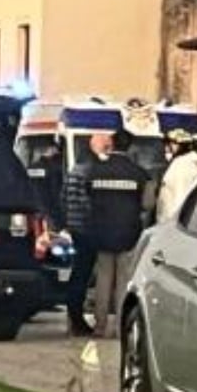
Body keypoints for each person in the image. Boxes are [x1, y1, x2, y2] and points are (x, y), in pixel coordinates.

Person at [89, 130, 156, 338]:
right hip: (128, 232)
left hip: (101, 231)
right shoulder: (139, 174)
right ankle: (120, 327)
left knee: (103, 278)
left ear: (112, 144)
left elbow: (87, 197)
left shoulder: (95, 171)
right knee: (123, 280)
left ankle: (100, 326)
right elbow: (148, 204)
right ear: (130, 147)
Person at [60, 136, 98, 337]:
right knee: (83, 273)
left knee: (78, 271)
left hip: (74, 227)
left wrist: (67, 221)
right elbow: (87, 203)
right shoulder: (88, 173)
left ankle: (73, 314)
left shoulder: (73, 172)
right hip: (86, 229)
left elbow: (63, 198)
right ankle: (76, 317)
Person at [157, 129, 197, 224]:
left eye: (170, 144)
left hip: (174, 220)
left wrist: (174, 221)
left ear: (181, 146)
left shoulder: (183, 165)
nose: (166, 149)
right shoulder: (188, 162)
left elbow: (180, 196)